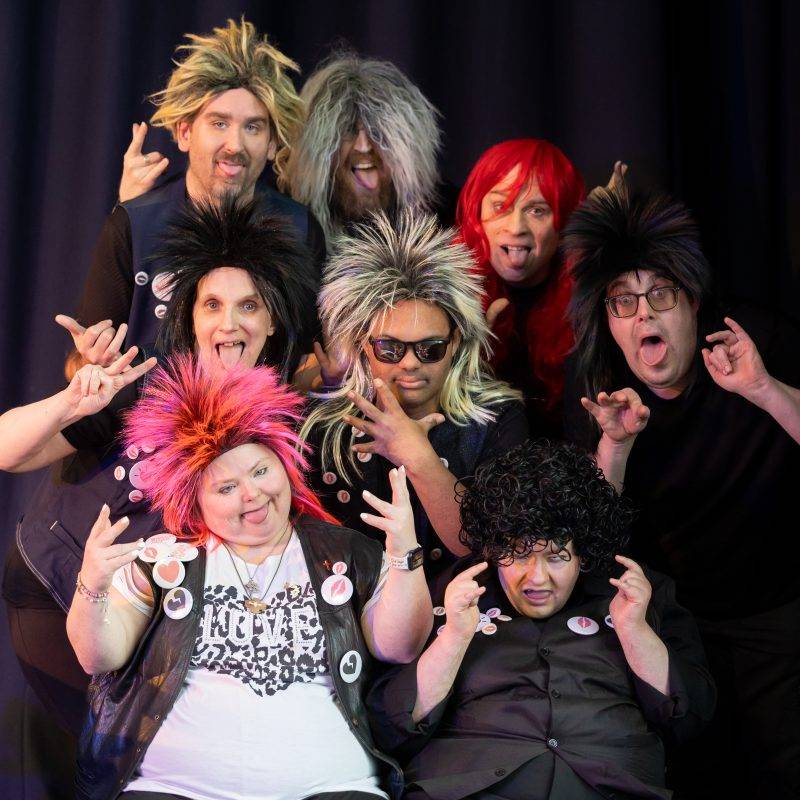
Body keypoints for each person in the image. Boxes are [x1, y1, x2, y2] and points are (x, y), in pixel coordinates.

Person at [1, 196, 317, 738]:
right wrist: (72, 402)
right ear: (191, 317)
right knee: (105, 765)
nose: (229, 324)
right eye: (212, 305)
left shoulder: (289, 420)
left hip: (152, 623)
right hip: (60, 588)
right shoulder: (146, 386)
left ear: (271, 320)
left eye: (248, 306)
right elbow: (11, 452)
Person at [68, 357, 431, 800]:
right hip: (176, 788)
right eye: (225, 488)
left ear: (285, 465)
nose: (253, 493)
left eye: (261, 471)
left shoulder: (345, 553)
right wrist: (93, 585)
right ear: (195, 502)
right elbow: (98, 657)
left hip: (332, 785)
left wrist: (403, 554)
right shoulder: (167, 561)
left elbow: (399, 645)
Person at [563, 184, 800, 799]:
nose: (644, 314)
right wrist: (614, 445)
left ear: (692, 302)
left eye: (660, 294)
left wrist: (763, 389)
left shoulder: (756, 341)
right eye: (623, 302)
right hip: (670, 618)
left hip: (775, 607)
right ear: (609, 323)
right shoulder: (596, 388)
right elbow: (589, 540)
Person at [367, 440, 715, 799]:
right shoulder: (454, 591)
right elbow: (393, 727)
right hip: (470, 786)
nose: (536, 578)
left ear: (583, 552)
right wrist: (453, 637)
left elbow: (689, 720)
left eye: (557, 557)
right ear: (493, 548)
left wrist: (635, 632)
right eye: (517, 554)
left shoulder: (637, 594)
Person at [66, 17, 323, 373]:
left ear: (272, 144)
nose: (235, 145)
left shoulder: (298, 227)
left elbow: (311, 360)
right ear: (185, 133)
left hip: (259, 424)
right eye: (219, 123)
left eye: (253, 127)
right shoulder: (133, 225)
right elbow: (78, 367)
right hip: (142, 421)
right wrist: (95, 364)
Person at [301, 211, 527, 578]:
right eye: (390, 348)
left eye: (430, 348)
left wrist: (417, 456)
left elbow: (490, 545)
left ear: (455, 344)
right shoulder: (322, 425)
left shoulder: (496, 419)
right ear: (363, 345)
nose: (409, 364)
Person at [455, 139, 586, 434]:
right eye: (500, 205)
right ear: (477, 213)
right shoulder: (445, 295)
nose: (516, 227)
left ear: (563, 224)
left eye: (537, 210)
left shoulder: (590, 300)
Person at [283, 52, 447, 247]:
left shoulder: (446, 223)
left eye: (377, 133)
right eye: (347, 131)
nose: (363, 146)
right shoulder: (286, 224)